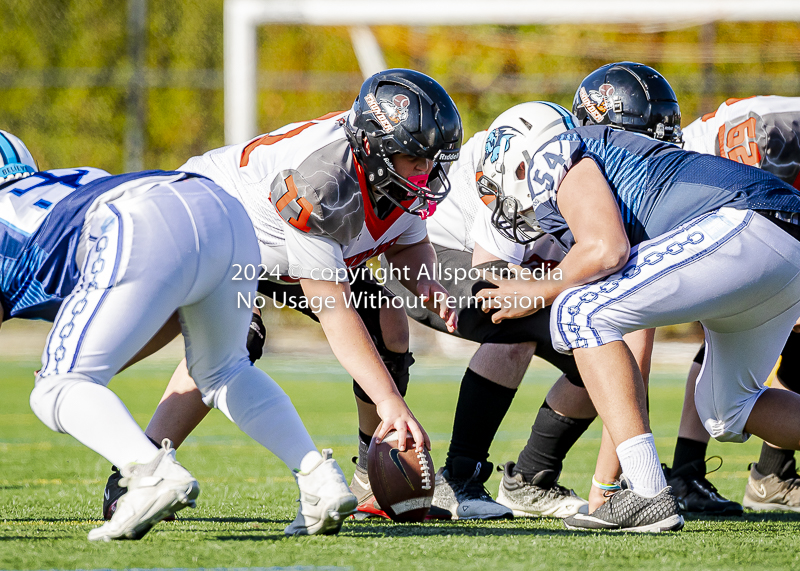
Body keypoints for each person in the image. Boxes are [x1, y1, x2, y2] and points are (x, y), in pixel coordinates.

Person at [98, 69, 462, 521]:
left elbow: (408, 242)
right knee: (234, 342)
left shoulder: (393, 171)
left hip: (277, 251)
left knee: (387, 319)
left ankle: (372, 476)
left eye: (433, 158)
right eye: (415, 158)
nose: (427, 171)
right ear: (373, 147)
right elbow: (332, 307)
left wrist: (426, 281)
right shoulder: (323, 182)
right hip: (211, 221)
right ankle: (136, 472)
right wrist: (391, 400)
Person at [0, 131, 357, 540]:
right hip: (217, 204)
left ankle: (150, 474)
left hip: (136, 223)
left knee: (55, 387)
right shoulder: (68, 179)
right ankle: (317, 478)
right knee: (223, 370)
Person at [474, 102, 800, 532]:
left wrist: (539, 290)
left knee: (578, 310)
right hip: (780, 239)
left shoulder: (554, 151)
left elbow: (606, 249)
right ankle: (639, 492)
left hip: (750, 222)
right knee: (725, 409)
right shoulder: (601, 157)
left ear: (518, 159)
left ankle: (647, 494)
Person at [384, 101, 595, 519]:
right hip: (426, 258)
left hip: (499, 263)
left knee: (601, 346)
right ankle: (458, 477)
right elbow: (494, 281)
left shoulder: (608, 177)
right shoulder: (522, 157)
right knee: (512, 322)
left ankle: (531, 480)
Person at [670, 95, 800, 513]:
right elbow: (772, 213)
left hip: (725, 193)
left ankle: (768, 474)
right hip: (700, 198)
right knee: (742, 333)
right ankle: (682, 473)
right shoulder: (782, 129)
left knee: (752, 332)